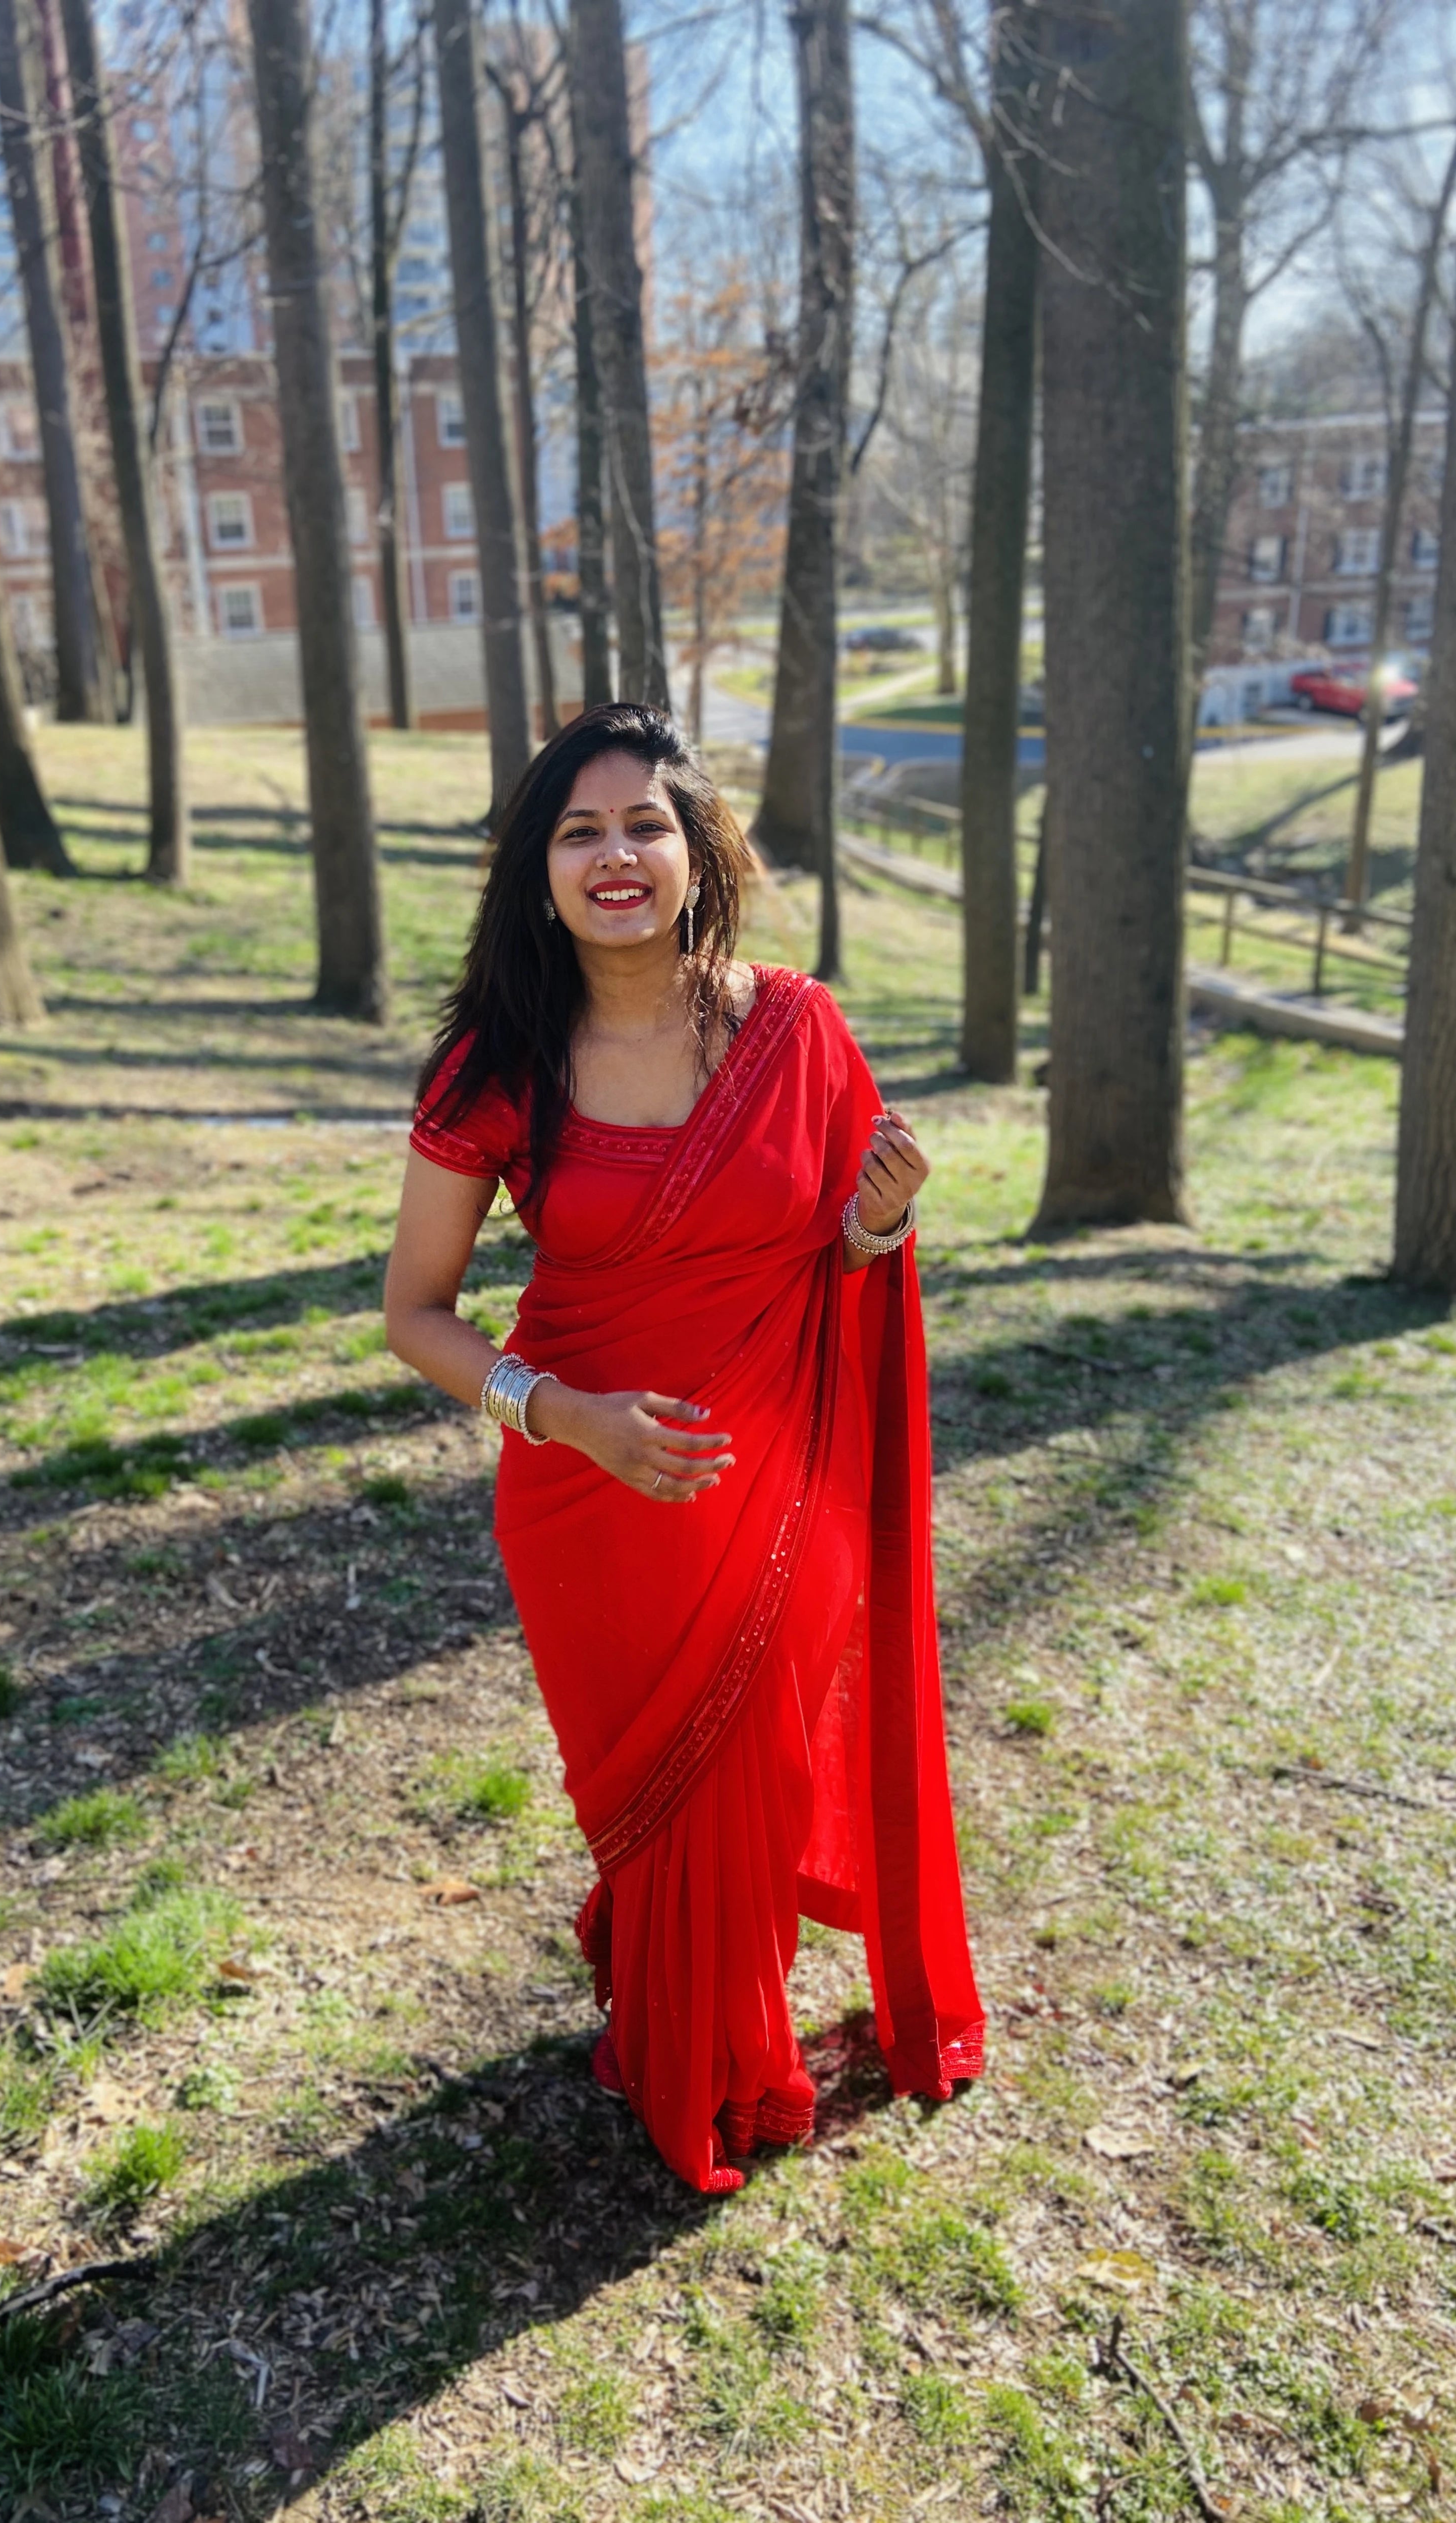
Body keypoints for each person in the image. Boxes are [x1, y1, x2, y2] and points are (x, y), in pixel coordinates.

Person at [383, 703, 985, 2195]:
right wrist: (566, 1415)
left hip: (776, 1494)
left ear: (699, 849)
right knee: (652, 1816)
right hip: (589, 1501)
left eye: (643, 823)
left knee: (759, 1786)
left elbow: (833, 1269)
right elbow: (415, 1314)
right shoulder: (495, 1066)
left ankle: (722, 2057)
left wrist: (882, 1218)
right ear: (538, 873)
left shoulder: (798, 1029)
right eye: (578, 832)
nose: (615, 856)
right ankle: (677, 2025)